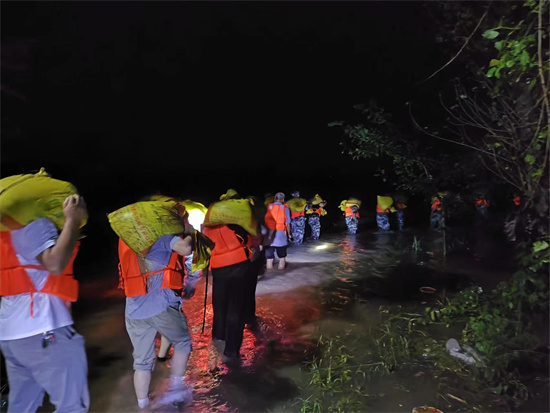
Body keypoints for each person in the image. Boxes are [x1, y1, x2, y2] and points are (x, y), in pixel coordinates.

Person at [0, 194, 90, 413]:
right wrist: (72, 220)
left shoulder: (4, 232)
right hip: (43, 330)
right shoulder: (33, 223)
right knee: (72, 406)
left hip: (12, 336)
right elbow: (55, 263)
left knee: (22, 407)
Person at [118, 216, 196, 409]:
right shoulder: (161, 236)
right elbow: (186, 249)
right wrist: (189, 232)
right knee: (183, 341)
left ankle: (143, 406)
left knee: (142, 362)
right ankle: (176, 389)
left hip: (134, 309)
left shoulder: (125, 239)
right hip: (161, 304)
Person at [202, 222, 251, 363]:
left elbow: (203, 249)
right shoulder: (235, 224)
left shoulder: (207, 228)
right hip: (239, 265)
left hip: (218, 267)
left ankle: (218, 336)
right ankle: (231, 349)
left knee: (219, 302)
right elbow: (247, 240)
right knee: (235, 307)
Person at [157, 253, 201, 362]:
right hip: (170, 282)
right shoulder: (181, 238)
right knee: (172, 320)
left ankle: (160, 359)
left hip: (149, 283)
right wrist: (191, 283)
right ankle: (164, 360)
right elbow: (192, 259)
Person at [264, 192, 293, 269]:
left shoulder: (268, 207)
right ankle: (281, 271)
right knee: (282, 256)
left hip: (269, 235)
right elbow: (288, 223)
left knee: (269, 257)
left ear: (275, 199)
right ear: (283, 199)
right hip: (280, 235)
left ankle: (269, 272)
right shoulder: (285, 208)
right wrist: (289, 234)